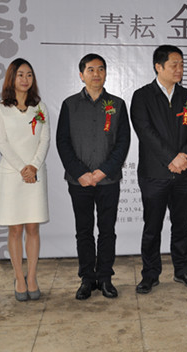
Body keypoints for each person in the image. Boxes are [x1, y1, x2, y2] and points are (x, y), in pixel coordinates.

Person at [56, 53, 130, 299]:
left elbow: (123, 142)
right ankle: (87, 278)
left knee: (107, 230)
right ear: (81, 75)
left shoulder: (118, 104)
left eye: (100, 69)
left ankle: (105, 277)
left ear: (106, 73)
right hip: (79, 182)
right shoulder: (69, 104)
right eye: (90, 69)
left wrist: (103, 171)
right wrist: (81, 173)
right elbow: (62, 142)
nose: (96, 74)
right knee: (84, 231)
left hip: (108, 180)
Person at [131, 45, 187, 294]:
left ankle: (183, 270)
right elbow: (145, 131)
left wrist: (184, 156)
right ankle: (150, 274)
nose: (179, 69)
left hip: (184, 173)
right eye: (174, 64)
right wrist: (171, 157)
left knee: (181, 226)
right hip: (154, 174)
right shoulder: (142, 96)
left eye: (182, 64)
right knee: (152, 227)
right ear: (158, 67)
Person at [0, 59, 50, 301]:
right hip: (12, 175)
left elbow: (44, 140)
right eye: (20, 75)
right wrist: (22, 169)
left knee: (33, 228)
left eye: (29, 75)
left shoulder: (40, 107)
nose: (25, 79)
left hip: (35, 174)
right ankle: (19, 277)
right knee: (15, 229)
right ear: (11, 78)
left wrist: (33, 166)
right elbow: (1, 142)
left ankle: (32, 277)